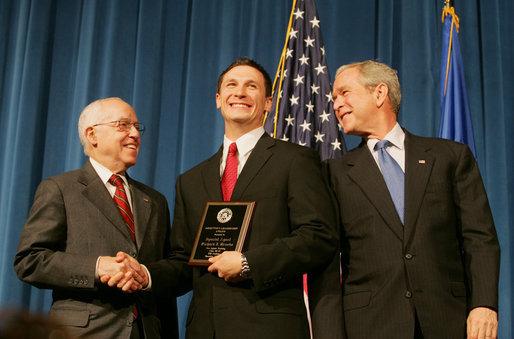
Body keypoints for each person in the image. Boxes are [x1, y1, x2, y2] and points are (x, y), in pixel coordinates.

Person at [110, 57, 339, 338]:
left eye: (251, 86)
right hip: (205, 329)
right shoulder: (191, 180)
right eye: (232, 85)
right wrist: (146, 275)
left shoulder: (295, 161)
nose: (240, 92)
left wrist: (248, 263)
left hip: (271, 326)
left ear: (268, 102)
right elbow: (185, 260)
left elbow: (319, 236)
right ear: (219, 100)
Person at [325, 60, 500, 338]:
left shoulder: (449, 157)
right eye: (334, 98)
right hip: (371, 325)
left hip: (448, 321)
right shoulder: (334, 174)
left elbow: (480, 239)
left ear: (380, 93)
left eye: (344, 93)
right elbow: (327, 262)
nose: (336, 104)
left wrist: (484, 304)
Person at [14, 98, 178, 338]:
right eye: (123, 125)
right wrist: (98, 267)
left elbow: (169, 268)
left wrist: (145, 274)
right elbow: (30, 261)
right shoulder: (60, 189)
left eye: (136, 127)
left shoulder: (154, 200)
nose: (134, 134)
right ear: (92, 135)